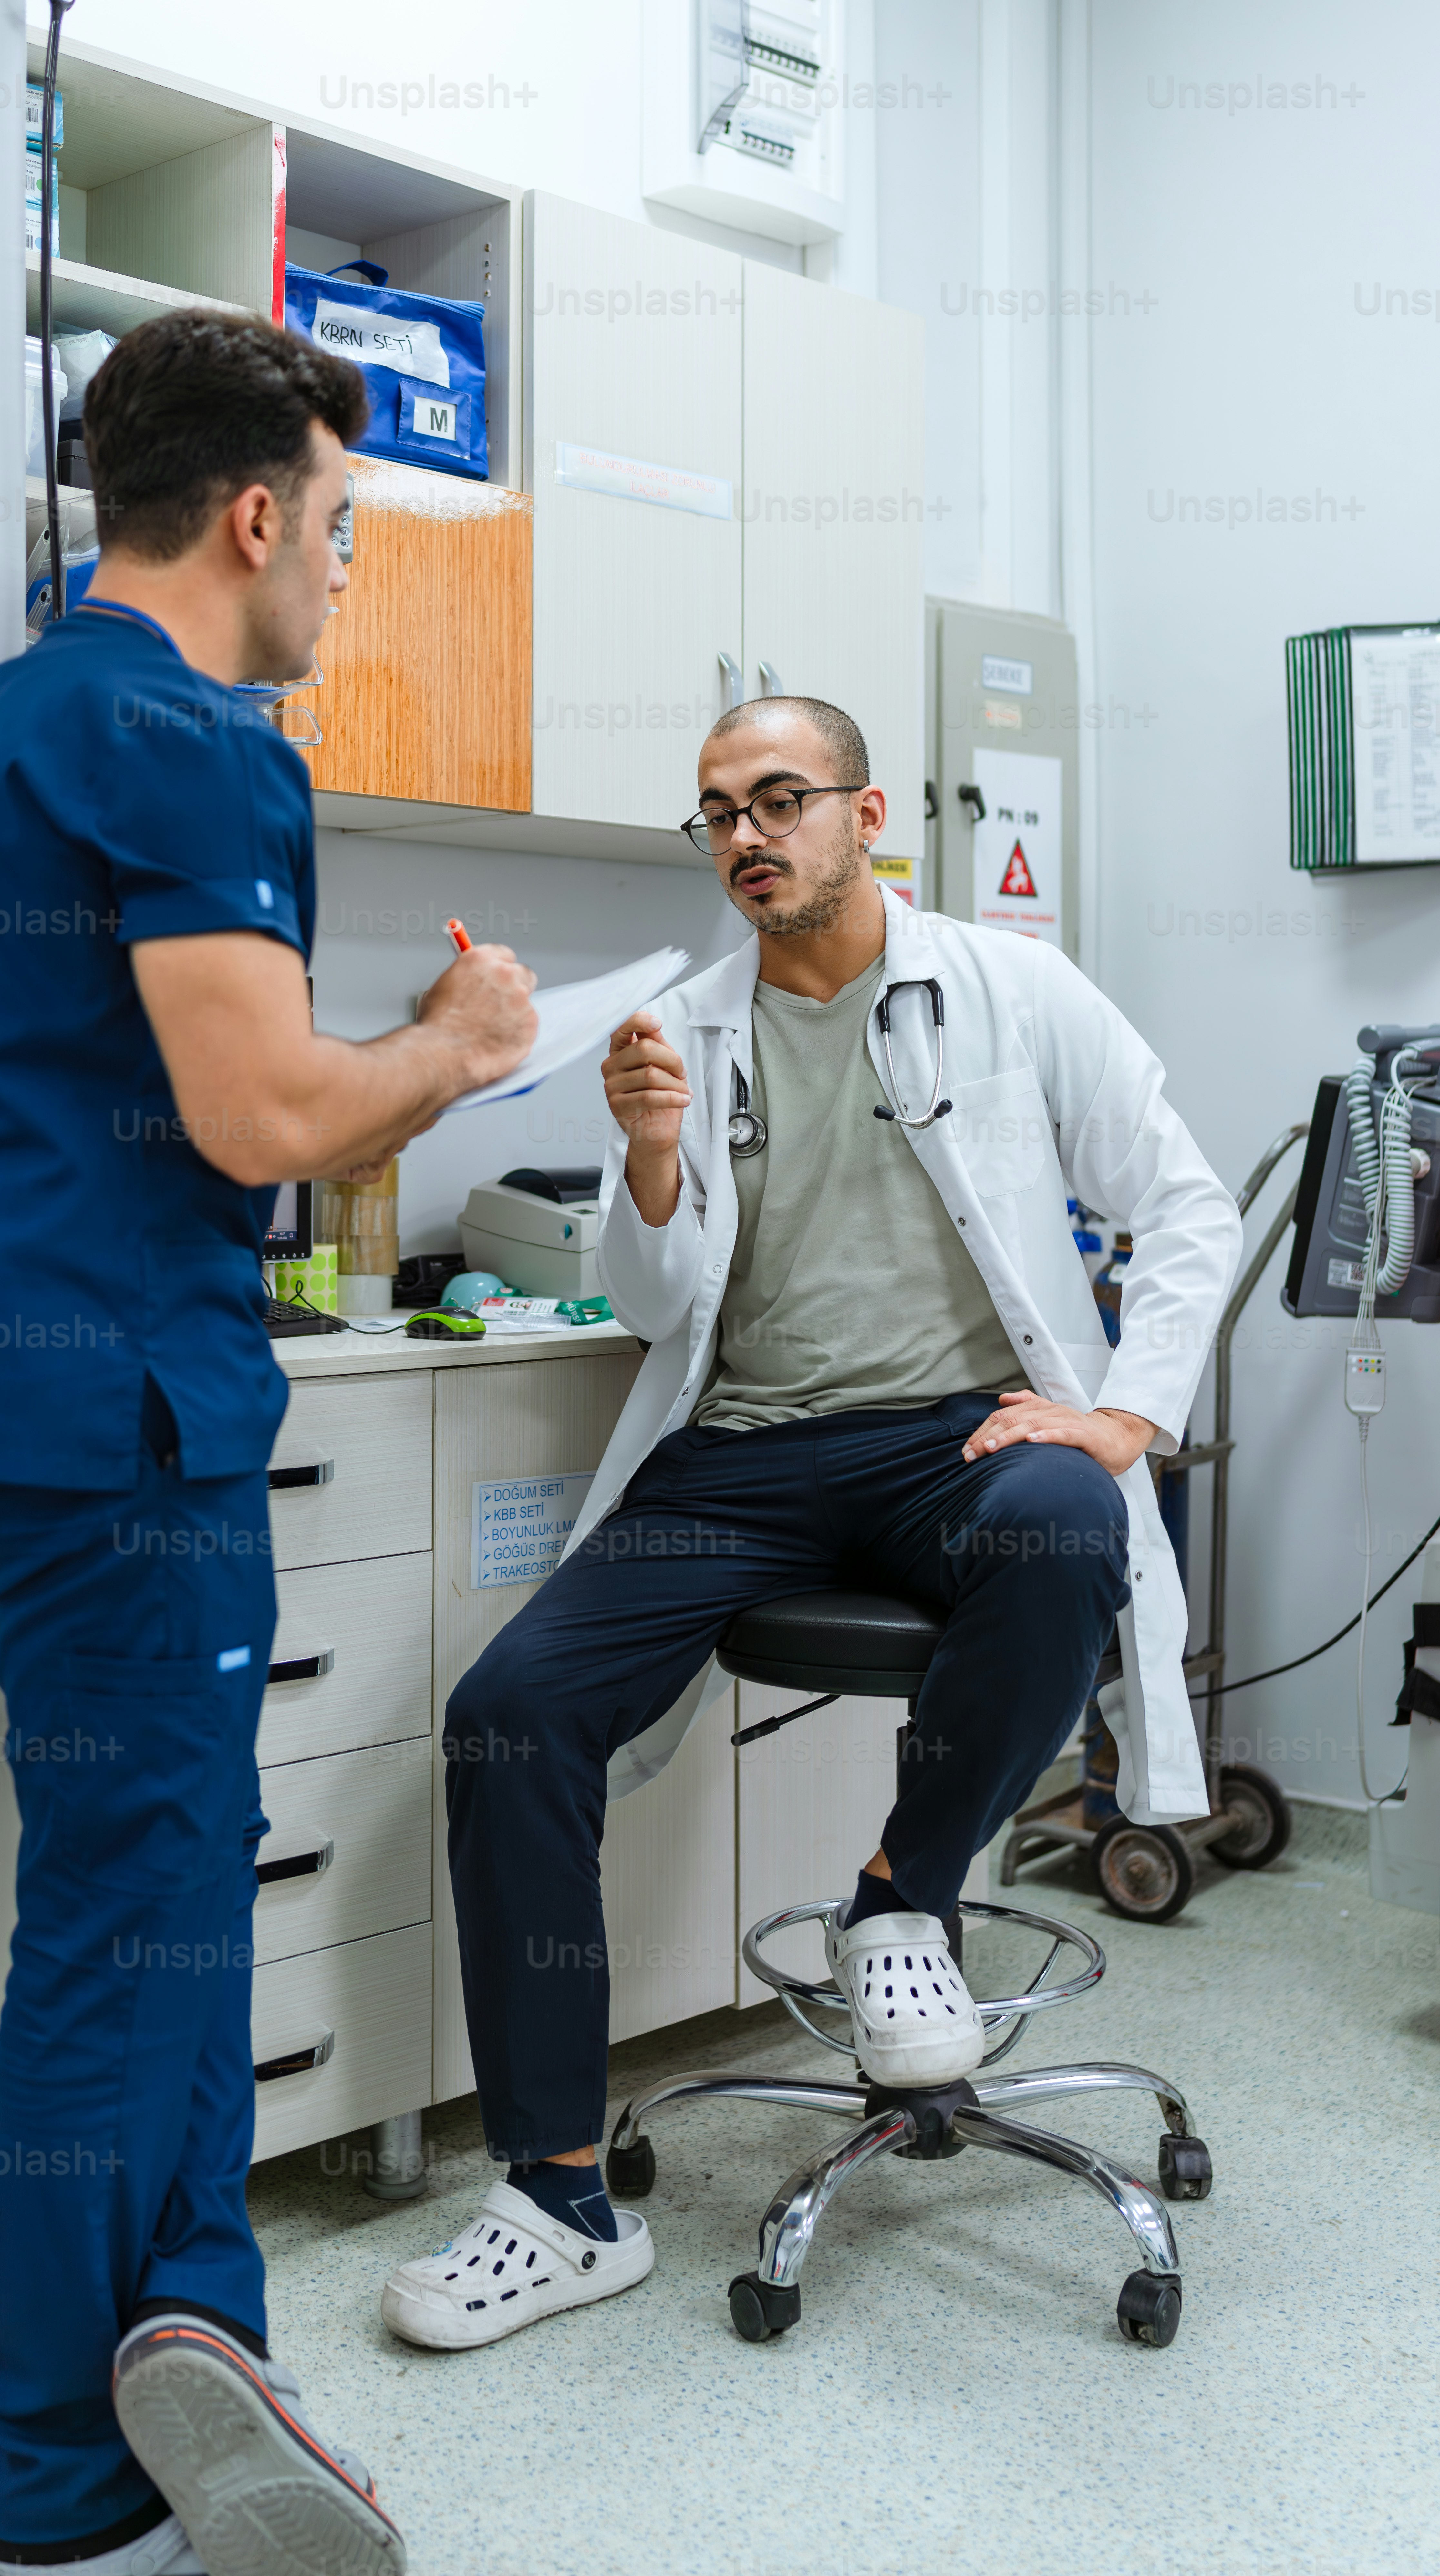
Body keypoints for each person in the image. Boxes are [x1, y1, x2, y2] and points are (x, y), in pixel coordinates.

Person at [0, 308, 536, 2573]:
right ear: (254, 515)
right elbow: (263, 1111)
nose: (339, 569)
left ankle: (199, 2349)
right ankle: (71, 2488)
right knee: (132, 1932)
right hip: (110, 1416)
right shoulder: (194, 734)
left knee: (144, 1900)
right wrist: (453, 1044)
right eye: (337, 524)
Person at [379, 693, 1240, 2353]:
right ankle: (556, 2196)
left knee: (1071, 1511)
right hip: (740, 1456)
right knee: (509, 1717)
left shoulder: (1010, 988)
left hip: (956, 1438)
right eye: (716, 812)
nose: (747, 835)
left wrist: (1121, 1412)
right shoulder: (687, 1030)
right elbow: (656, 1301)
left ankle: (899, 1899)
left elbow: (1181, 1201)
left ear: (869, 811)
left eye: (780, 798)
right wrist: (641, 1157)